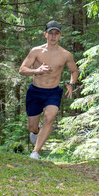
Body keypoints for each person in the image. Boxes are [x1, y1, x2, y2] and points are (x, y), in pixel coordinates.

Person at [19, 20, 79, 160]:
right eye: (50, 33)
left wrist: (71, 83)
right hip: (35, 91)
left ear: (60, 36)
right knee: (32, 127)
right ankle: (36, 131)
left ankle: (35, 152)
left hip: (53, 92)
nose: (53, 36)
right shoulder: (36, 51)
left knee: (49, 117)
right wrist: (37, 70)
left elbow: (74, 71)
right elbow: (22, 70)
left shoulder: (65, 55)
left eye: (56, 34)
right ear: (45, 34)